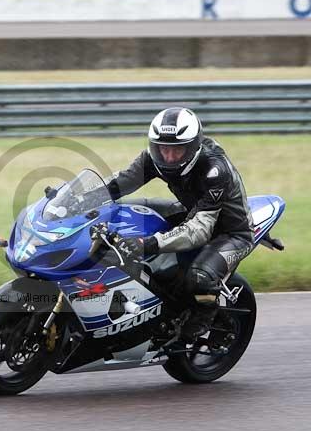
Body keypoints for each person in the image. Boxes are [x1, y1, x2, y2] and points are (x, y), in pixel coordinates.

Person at [106, 107, 254, 349]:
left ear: (193, 146)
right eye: (163, 149)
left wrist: (147, 244)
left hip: (230, 232)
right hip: (190, 211)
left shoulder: (215, 170)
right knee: (121, 212)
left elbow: (200, 229)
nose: (169, 157)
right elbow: (122, 181)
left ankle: (205, 318)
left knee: (199, 277)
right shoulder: (153, 158)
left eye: (177, 150)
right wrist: (81, 198)